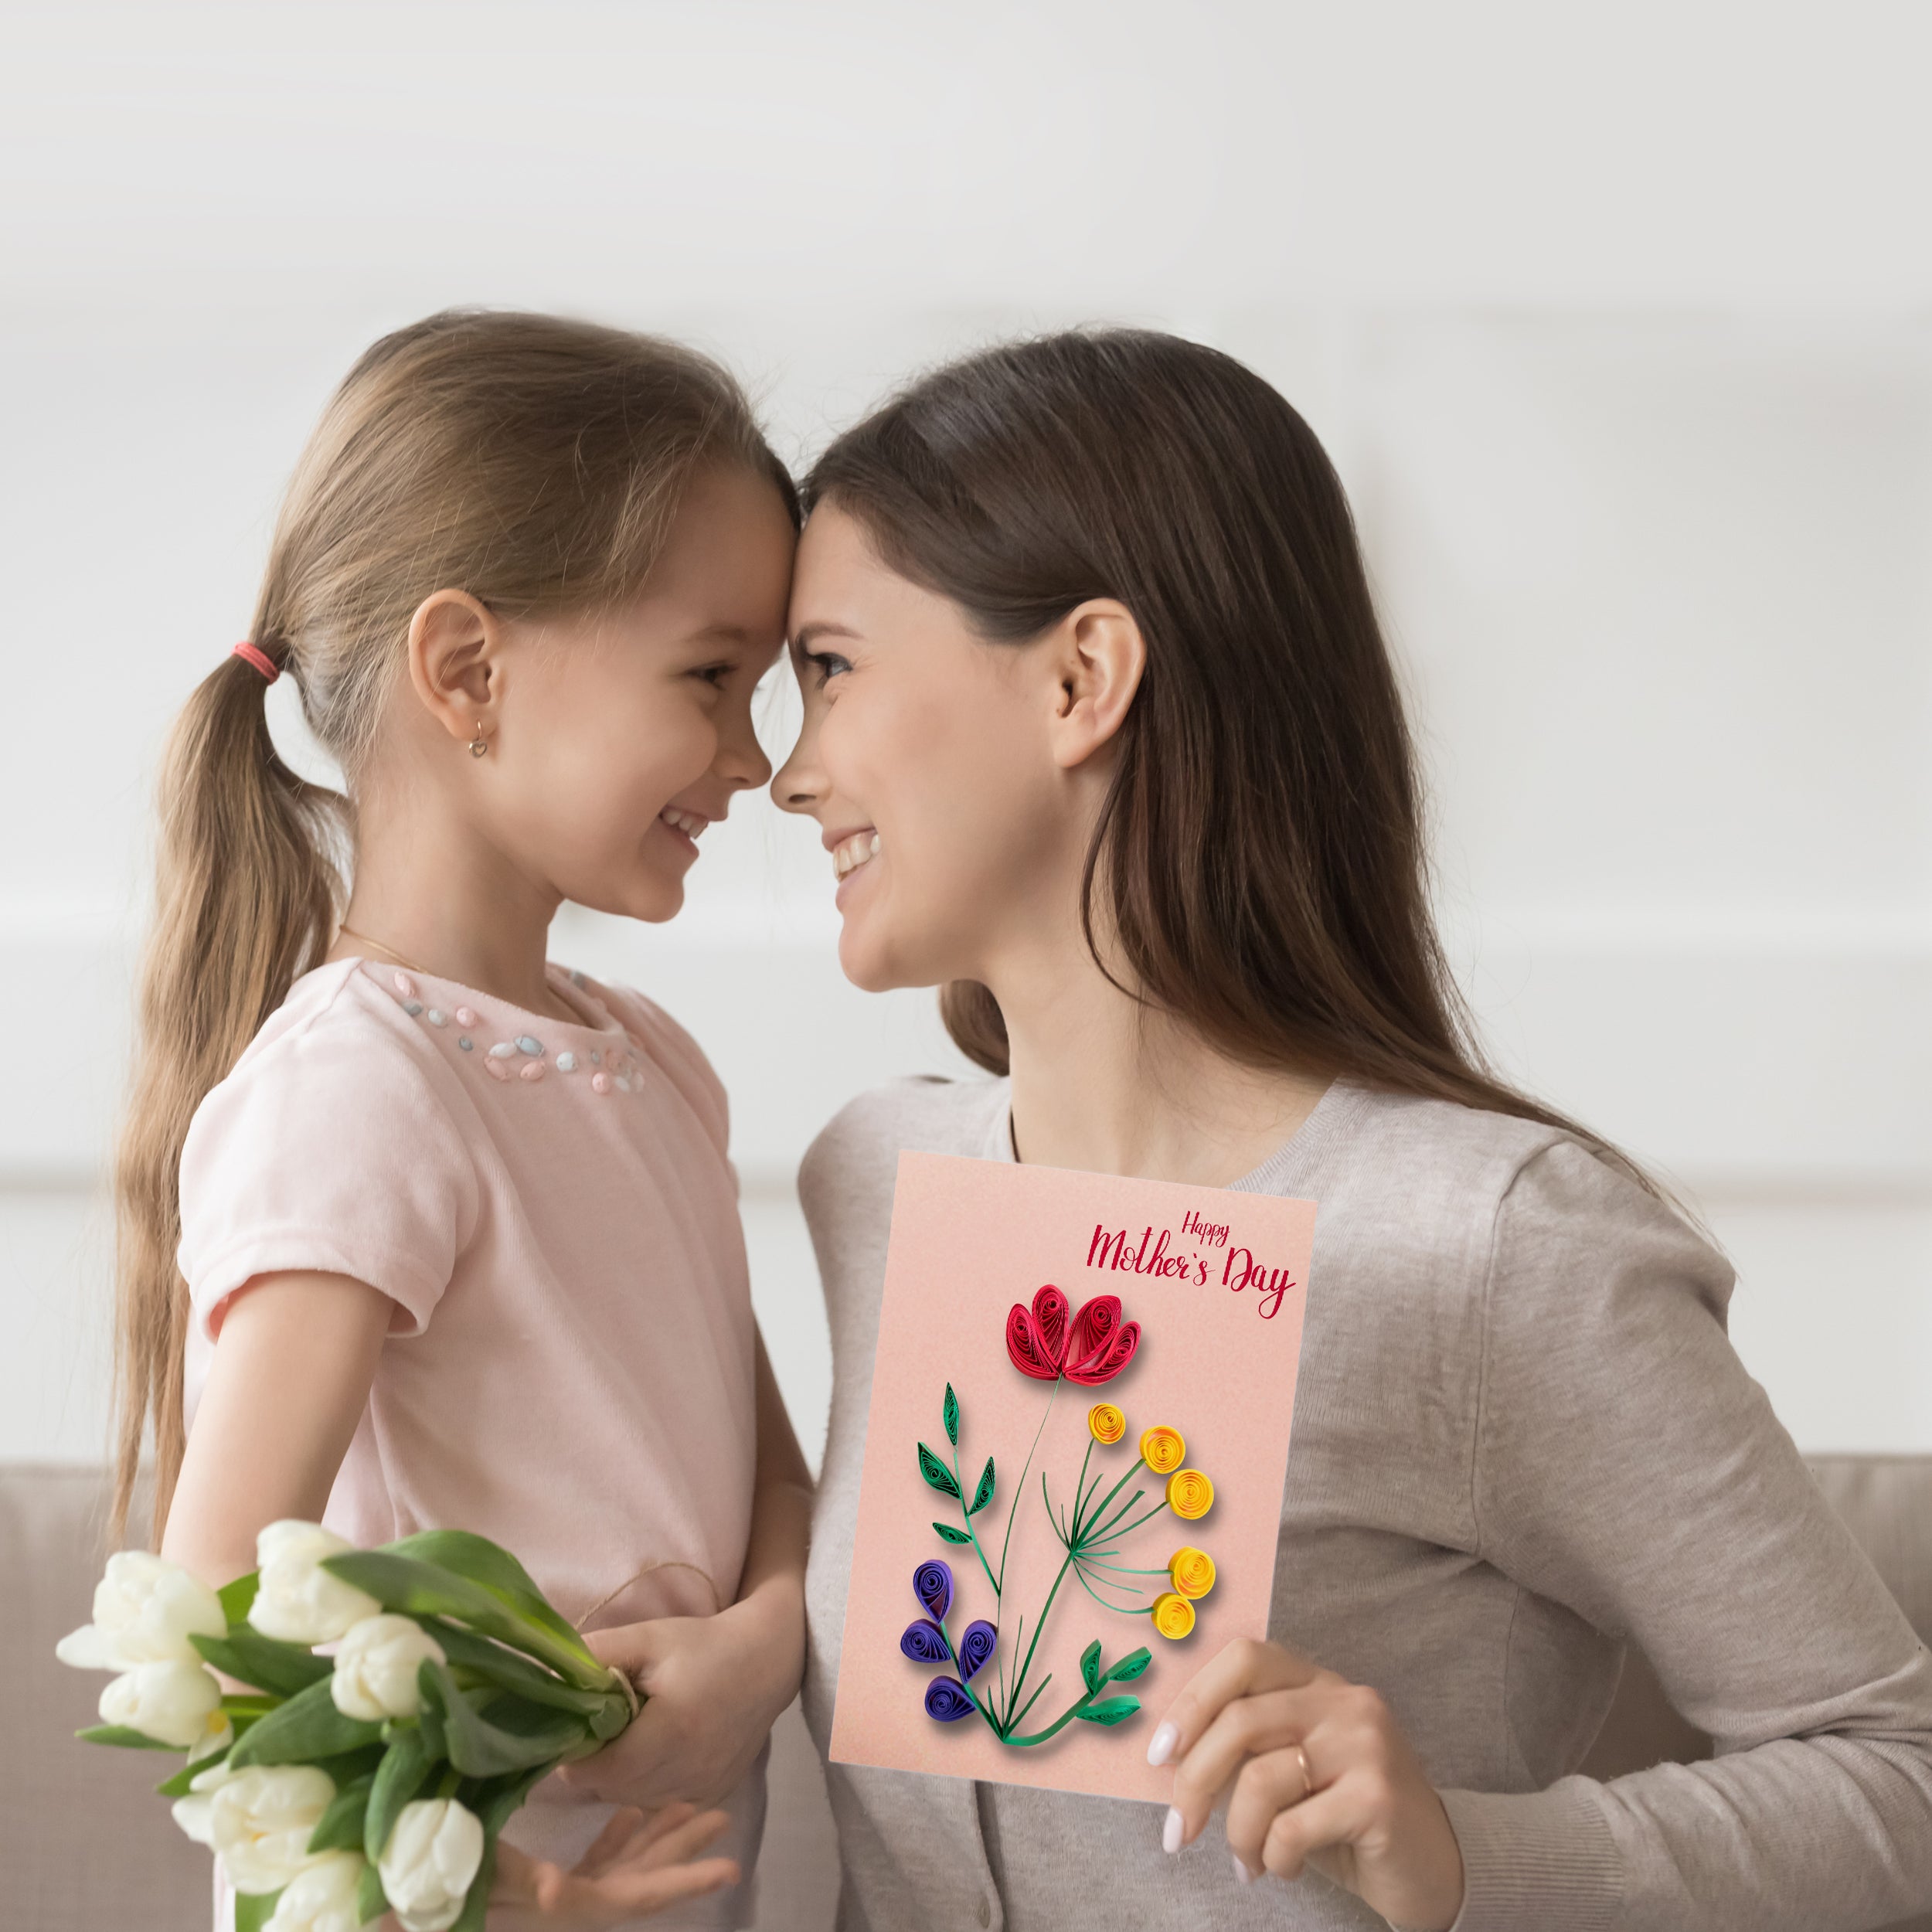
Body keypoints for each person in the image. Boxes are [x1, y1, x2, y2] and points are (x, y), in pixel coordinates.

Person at [771, 329, 1932, 1931]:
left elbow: (1890, 1771)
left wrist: (1454, 1848)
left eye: (830, 667)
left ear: (1076, 679)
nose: (787, 767)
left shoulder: (1494, 1243)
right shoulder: (871, 1187)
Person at [117, 310, 814, 1927]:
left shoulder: (651, 1062)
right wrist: (510, 1895)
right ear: (467, 671)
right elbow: (209, 1621)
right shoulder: (363, 1086)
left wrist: (761, 1637)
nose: (755, 757)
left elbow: (773, 1474)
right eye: (713, 677)